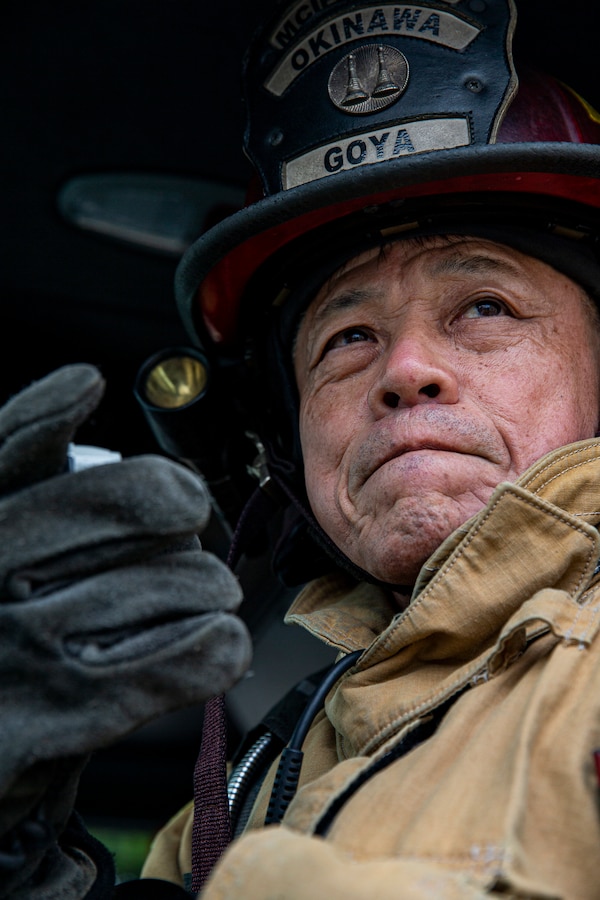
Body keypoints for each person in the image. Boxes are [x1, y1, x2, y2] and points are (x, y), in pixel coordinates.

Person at [3, 0, 600, 897]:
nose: (404, 369)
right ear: (287, 436)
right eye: (346, 339)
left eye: (485, 307)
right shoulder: (256, 776)